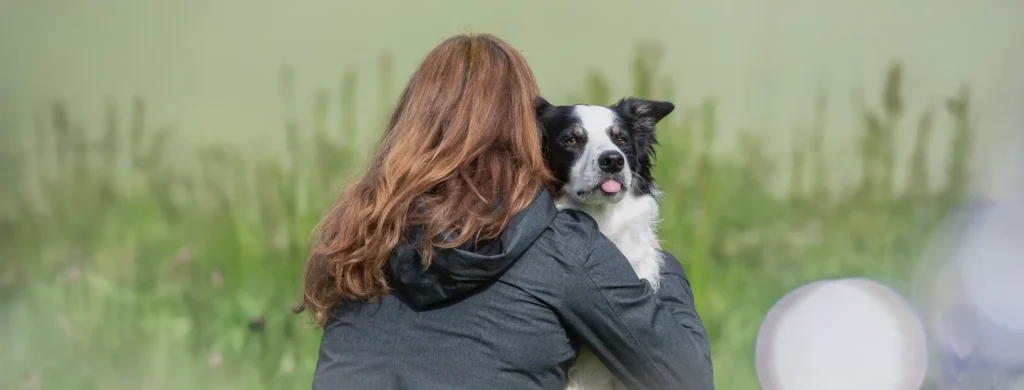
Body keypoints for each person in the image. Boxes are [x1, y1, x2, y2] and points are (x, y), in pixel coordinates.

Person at [297, 33, 714, 390]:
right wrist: (656, 259)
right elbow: (688, 379)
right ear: (524, 130)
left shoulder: (361, 236)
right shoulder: (562, 247)